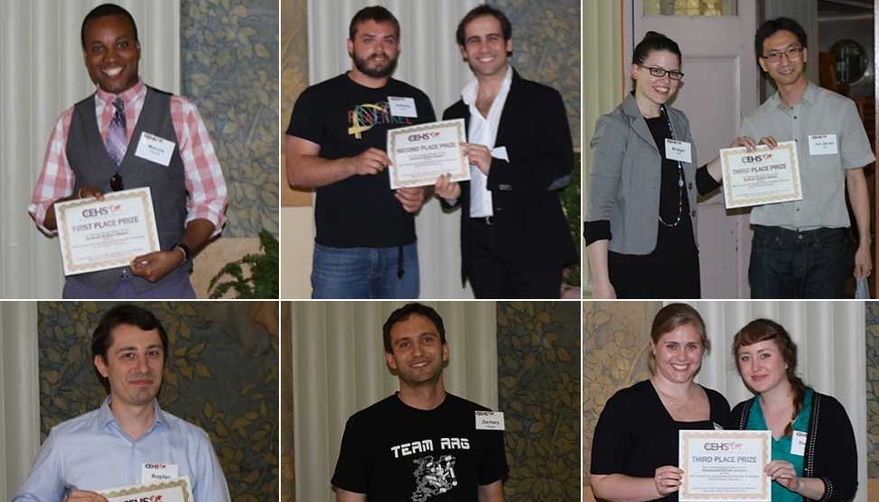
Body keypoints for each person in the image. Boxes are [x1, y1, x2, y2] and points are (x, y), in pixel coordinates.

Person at [5, 305, 245, 502]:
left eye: (153, 353)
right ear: (102, 365)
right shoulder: (65, 441)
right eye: (128, 355)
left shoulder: (194, 444)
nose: (143, 367)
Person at [29, 3, 228, 299]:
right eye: (98, 48)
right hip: (87, 291)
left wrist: (178, 254)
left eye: (121, 44)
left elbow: (211, 200)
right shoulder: (68, 123)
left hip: (166, 288)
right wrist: (76, 202)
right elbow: (42, 212)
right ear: (86, 57)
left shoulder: (179, 113)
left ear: (137, 48)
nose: (110, 57)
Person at [330, 303, 514, 502]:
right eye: (405, 344)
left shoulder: (484, 421)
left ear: (445, 350)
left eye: (427, 340)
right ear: (391, 359)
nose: (417, 352)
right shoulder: (364, 427)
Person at [286, 6, 440, 299]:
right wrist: (351, 164)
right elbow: (296, 172)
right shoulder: (318, 98)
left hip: (400, 251)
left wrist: (423, 191)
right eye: (369, 39)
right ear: (351, 45)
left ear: (398, 46)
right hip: (339, 254)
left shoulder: (416, 100)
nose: (379, 48)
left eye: (388, 40)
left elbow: (431, 171)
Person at [589, 303, 739, 502]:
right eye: (672, 345)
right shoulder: (626, 405)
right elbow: (601, 483)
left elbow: (731, 486)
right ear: (654, 347)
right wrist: (654, 486)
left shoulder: (719, 404)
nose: (682, 357)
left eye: (691, 346)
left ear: (702, 350)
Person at [585, 32, 750, 299]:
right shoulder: (615, 126)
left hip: (682, 258)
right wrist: (601, 282)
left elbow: (687, 189)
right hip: (634, 264)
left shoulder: (678, 121)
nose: (666, 81)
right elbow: (598, 209)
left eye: (673, 73)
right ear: (635, 71)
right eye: (657, 70)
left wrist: (729, 158)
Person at [436, 6, 577, 298]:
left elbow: (561, 171)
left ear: (508, 44)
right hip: (479, 247)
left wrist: (495, 166)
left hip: (535, 245)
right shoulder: (453, 113)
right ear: (463, 51)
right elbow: (462, 182)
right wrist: (451, 196)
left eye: (492, 38)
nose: (484, 47)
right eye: (474, 40)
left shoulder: (542, 100)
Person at [739, 17, 874, 298]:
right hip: (770, 245)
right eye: (774, 55)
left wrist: (865, 243)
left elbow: (856, 179)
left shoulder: (842, 110)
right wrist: (742, 159)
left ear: (804, 54)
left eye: (791, 50)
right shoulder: (754, 121)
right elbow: (746, 186)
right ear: (764, 64)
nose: (784, 60)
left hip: (827, 245)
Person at [728, 319, 856, 502]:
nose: (755, 366)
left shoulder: (827, 412)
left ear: (786, 359)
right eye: (745, 358)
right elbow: (730, 498)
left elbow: (845, 488)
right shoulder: (738, 417)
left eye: (765, 355)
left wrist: (798, 483)